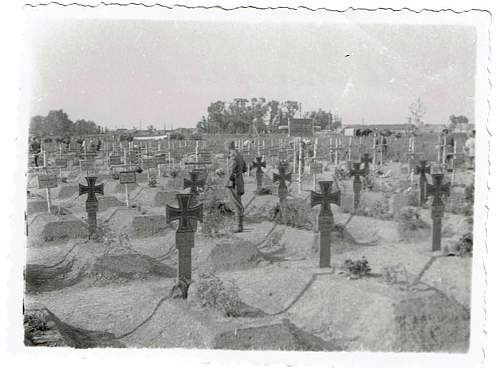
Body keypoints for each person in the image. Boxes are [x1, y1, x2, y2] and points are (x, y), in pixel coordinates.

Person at [226, 141, 247, 232]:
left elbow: (230, 172)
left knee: (236, 204)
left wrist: (222, 174)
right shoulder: (239, 155)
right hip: (239, 181)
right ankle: (240, 225)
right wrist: (238, 173)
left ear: (228, 147)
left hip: (233, 183)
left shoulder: (233, 157)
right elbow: (245, 169)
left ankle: (238, 226)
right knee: (238, 203)